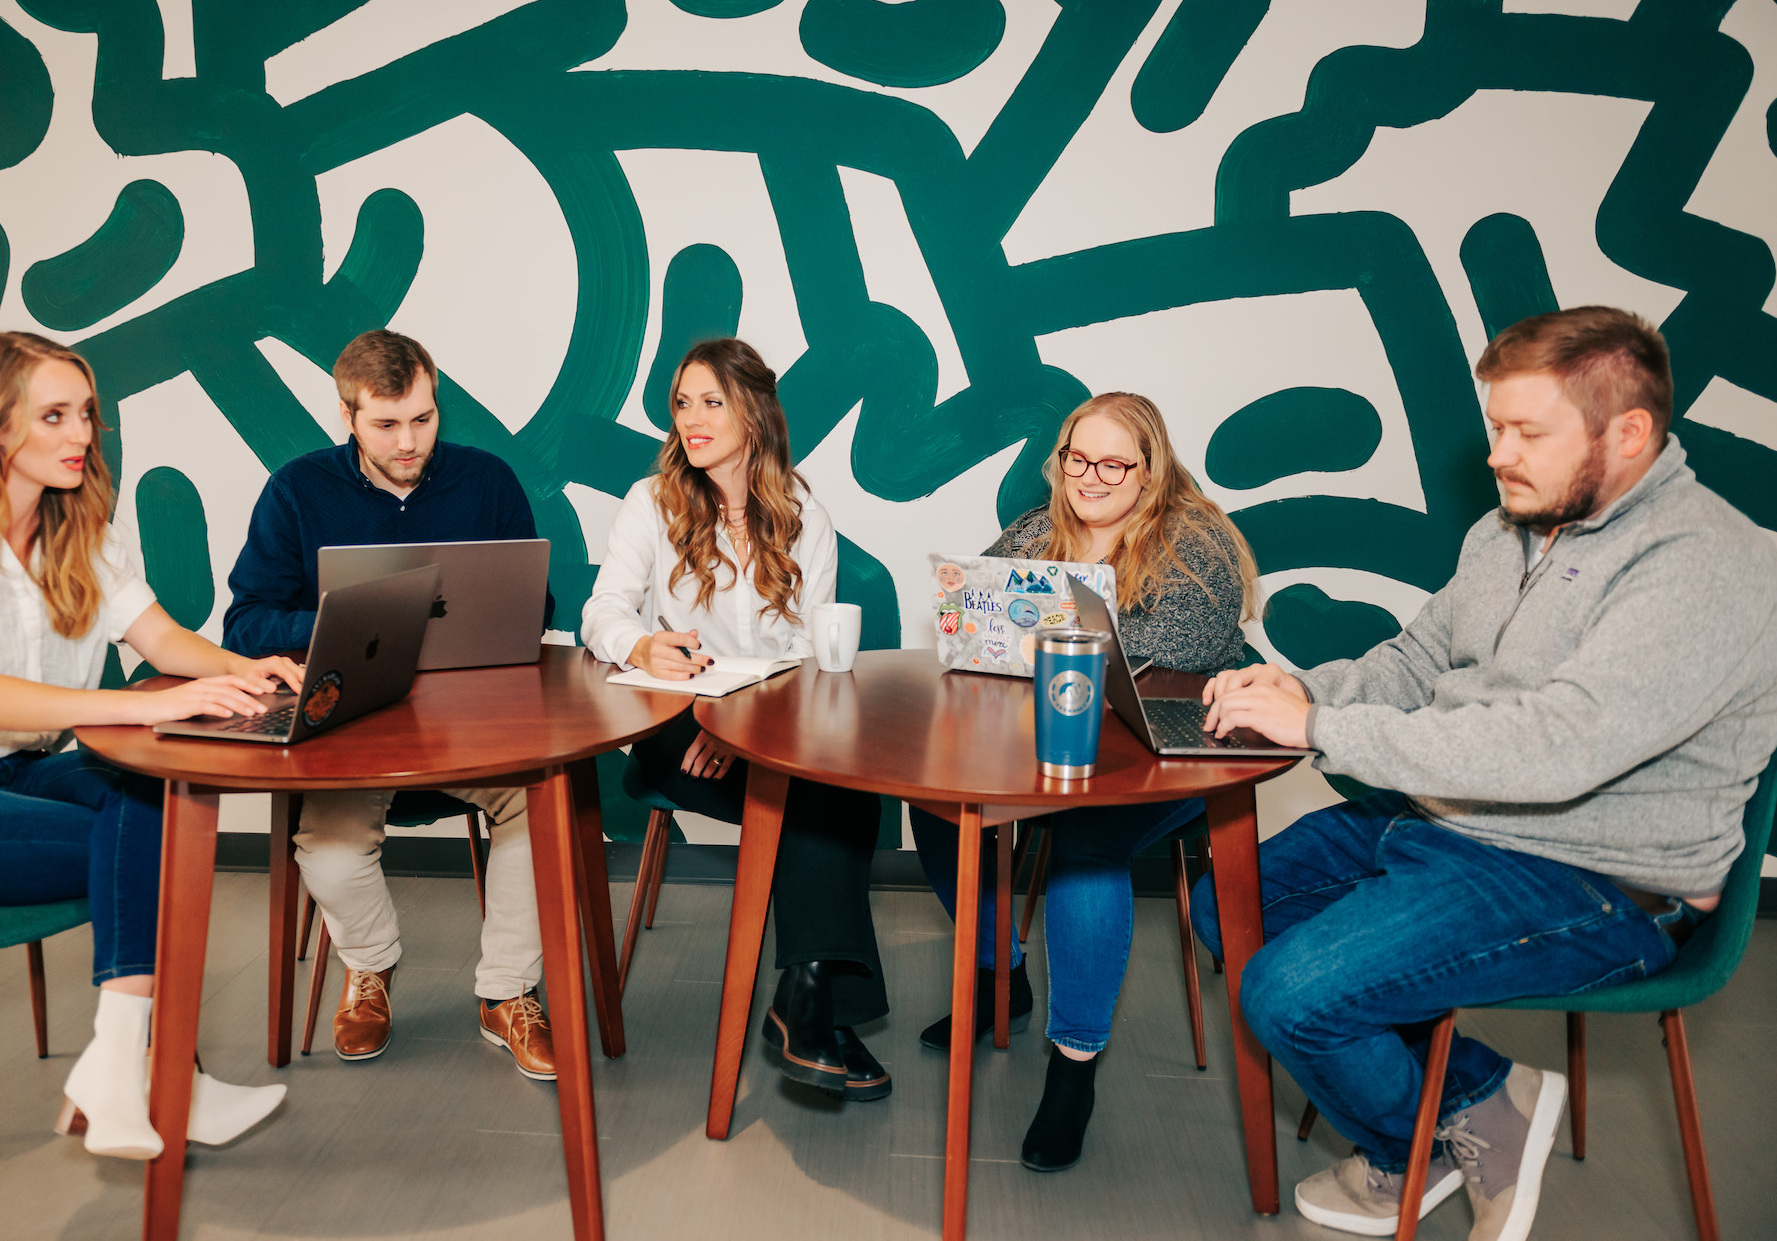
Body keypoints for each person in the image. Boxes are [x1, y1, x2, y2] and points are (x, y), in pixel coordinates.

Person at [1196, 307, 1777, 1241]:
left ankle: (1406, 1149)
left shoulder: (1709, 564)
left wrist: (1321, 728)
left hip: (1596, 877)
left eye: (1527, 432)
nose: (1499, 454)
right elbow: (1419, 659)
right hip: (1457, 825)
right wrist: (1298, 687)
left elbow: (1558, 747)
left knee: (1287, 993)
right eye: (1495, 426)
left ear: (1629, 432)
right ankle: (1482, 1095)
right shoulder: (1512, 526)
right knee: (1222, 905)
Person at [0, 331, 294, 1160]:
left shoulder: (84, 532)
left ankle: (124, 1064)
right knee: (145, 836)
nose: (82, 436)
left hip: (15, 775)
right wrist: (149, 706)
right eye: (56, 416)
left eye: (87, 416)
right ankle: (150, 1075)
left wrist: (254, 670)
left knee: (154, 796)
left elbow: (166, 641)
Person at [909, 391, 1258, 1171]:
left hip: (1167, 752)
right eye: (1077, 457)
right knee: (937, 802)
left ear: (1149, 469)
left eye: (1112, 462)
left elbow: (1186, 642)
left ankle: (1074, 1068)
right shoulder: (1039, 527)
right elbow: (979, 605)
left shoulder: (1192, 541)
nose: (1090, 477)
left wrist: (1039, 624)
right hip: (1051, 740)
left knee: (1085, 844)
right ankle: (1002, 977)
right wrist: (994, 618)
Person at [223, 330, 558, 1077]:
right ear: (347, 415)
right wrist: (344, 625)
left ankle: (507, 991)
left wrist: (514, 607)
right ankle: (371, 968)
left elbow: (533, 601)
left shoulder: (488, 480)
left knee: (543, 808)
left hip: (472, 725)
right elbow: (244, 621)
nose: (409, 442)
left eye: (423, 418)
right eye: (386, 424)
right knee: (333, 855)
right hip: (353, 725)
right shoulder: (296, 490)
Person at [580, 338, 895, 1099]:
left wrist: (742, 722)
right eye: (682, 402)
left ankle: (808, 996)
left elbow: (806, 649)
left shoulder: (802, 514)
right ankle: (815, 1009)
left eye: (710, 402)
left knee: (837, 786)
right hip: (674, 727)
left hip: (763, 723)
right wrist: (644, 644)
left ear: (753, 413)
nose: (691, 419)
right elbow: (601, 613)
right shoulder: (649, 501)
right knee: (821, 799)